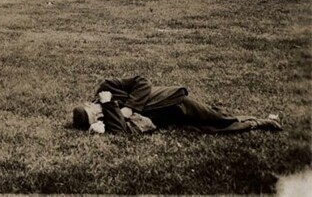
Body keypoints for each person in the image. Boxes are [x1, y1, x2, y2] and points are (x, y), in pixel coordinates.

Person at [72, 75, 282, 134]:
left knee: (219, 120)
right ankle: (254, 121)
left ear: (89, 102)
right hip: (170, 117)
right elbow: (120, 132)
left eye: (95, 111)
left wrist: (130, 108)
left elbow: (143, 81)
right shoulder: (105, 112)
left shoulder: (106, 87)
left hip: (176, 102)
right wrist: (107, 111)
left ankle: (264, 122)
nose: (99, 114)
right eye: (95, 118)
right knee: (207, 127)